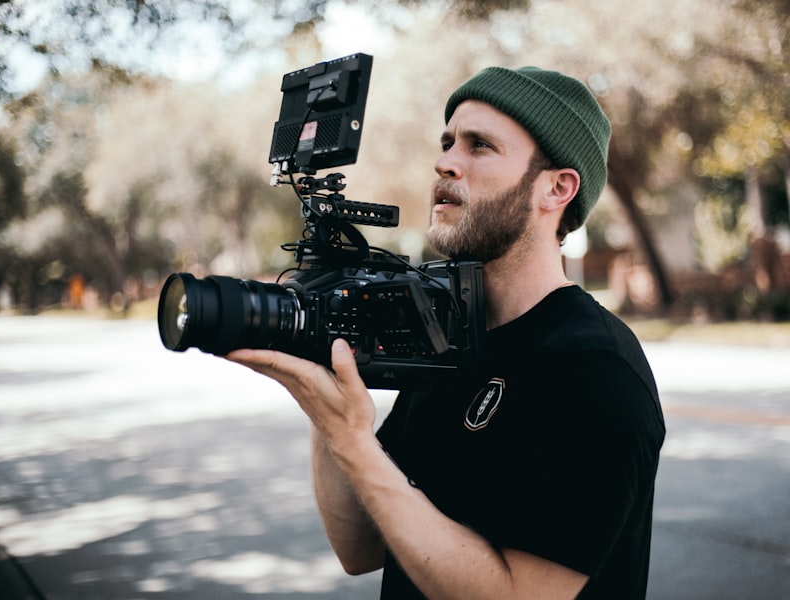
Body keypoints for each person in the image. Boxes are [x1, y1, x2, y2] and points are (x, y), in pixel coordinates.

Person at [226, 65, 666, 599]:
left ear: (557, 188)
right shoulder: (448, 338)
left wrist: (354, 439)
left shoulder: (594, 366)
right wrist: (326, 401)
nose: (445, 162)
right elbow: (359, 548)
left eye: (479, 146)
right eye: (447, 141)